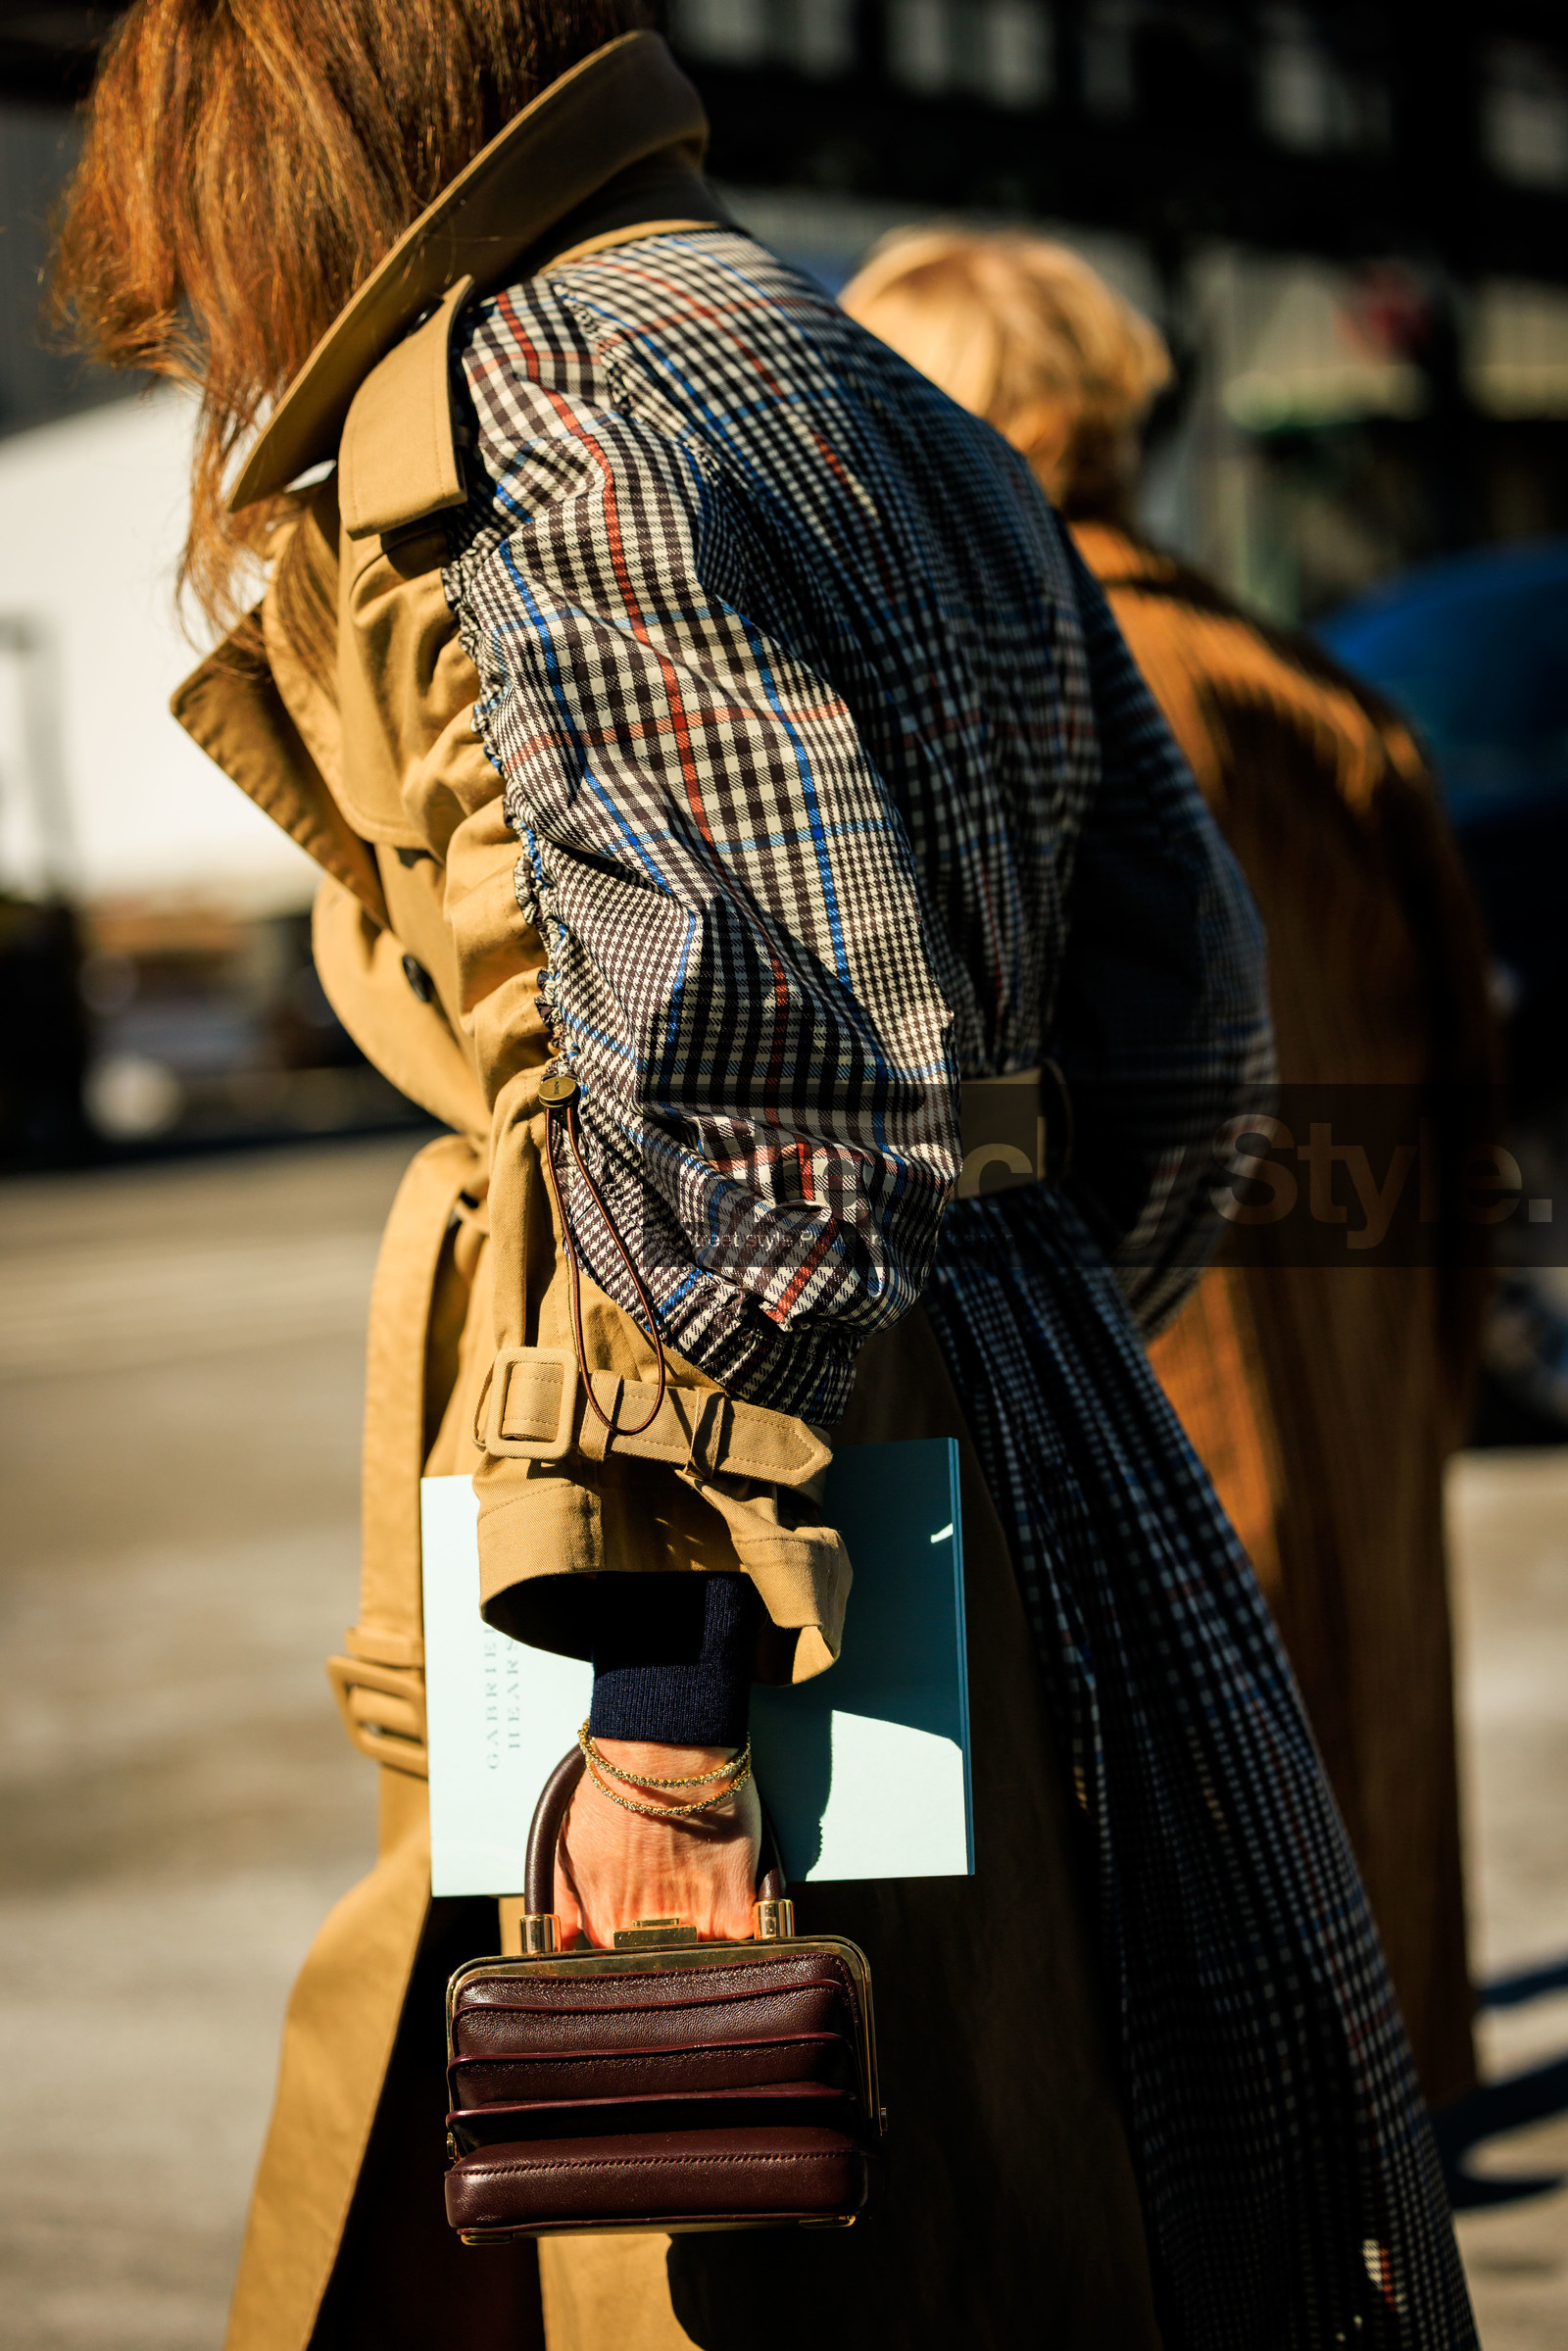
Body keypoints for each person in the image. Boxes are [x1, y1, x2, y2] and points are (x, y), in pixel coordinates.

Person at [54, 11, 1475, 2349]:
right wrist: (999, 1337)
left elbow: (754, 1112)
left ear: (275, 135)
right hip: (923, 1444)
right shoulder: (852, 367)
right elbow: (1182, 1000)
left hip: (678, 1533)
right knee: (959, 2153)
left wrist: (664, 1706)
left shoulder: (543, 399)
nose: (191, 292)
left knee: (710, 2206)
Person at [841, 226, 1497, 2114]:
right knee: (1355, 1873)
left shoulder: (1020, 690)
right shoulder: (1314, 684)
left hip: (1136, 1366)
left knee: (1178, 1994)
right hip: (1362, 1352)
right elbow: (1463, 1083)